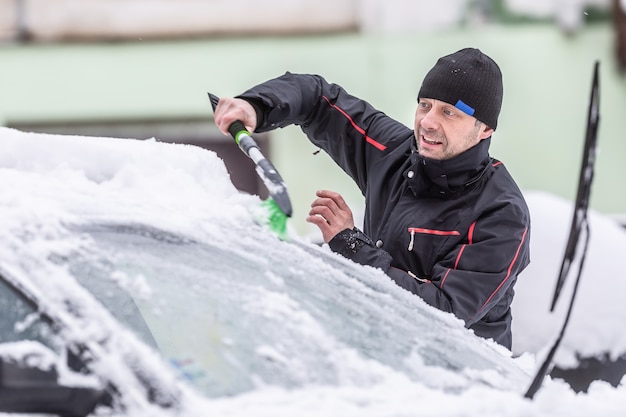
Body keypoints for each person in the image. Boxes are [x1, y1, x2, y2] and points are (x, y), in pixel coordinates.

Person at [213, 47, 531, 349]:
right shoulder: (393, 153)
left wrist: (351, 245)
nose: (427, 121)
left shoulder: (500, 213)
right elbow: (318, 99)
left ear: (485, 128)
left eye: (449, 112)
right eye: (425, 105)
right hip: (380, 362)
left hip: (463, 388)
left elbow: (444, 315)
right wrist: (256, 106)